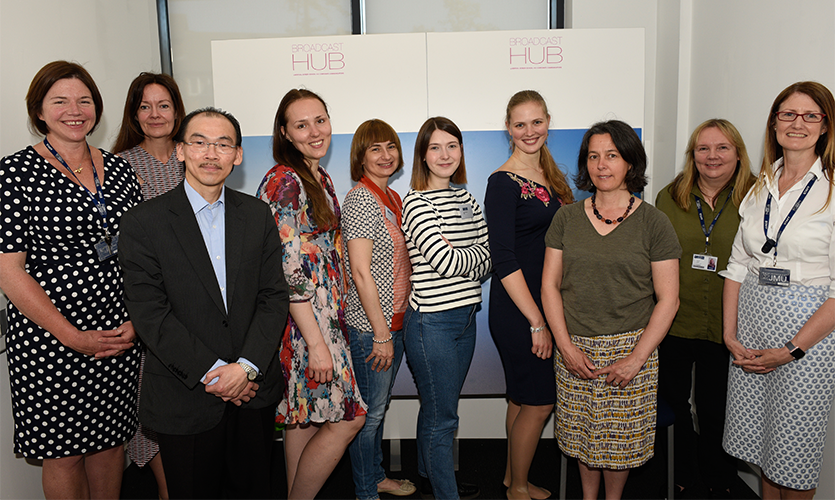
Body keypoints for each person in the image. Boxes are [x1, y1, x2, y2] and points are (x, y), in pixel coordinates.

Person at [119, 107, 290, 499]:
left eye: (223, 144)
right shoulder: (144, 222)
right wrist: (216, 373)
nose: (211, 154)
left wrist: (245, 368)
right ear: (180, 151)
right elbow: (150, 313)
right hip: (186, 396)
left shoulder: (257, 214)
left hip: (252, 393)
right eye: (199, 142)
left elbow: (273, 296)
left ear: (238, 154)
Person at [0, 60, 141, 499]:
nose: (74, 110)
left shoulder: (119, 170)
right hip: (49, 338)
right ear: (39, 111)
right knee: (62, 453)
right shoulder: (14, 174)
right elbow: (9, 270)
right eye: (59, 101)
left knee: (109, 444)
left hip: (119, 334)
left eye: (84, 100)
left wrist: (139, 320)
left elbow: (142, 254)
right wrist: (70, 335)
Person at [541, 120, 681, 500]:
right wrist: (565, 346)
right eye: (593, 156)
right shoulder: (566, 218)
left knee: (618, 446)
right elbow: (549, 286)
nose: (602, 165)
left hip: (634, 349)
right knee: (583, 437)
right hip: (575, 347)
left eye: (612, 156)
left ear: (630, 162)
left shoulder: (654, 222)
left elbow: (669, 299)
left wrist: (636, 359)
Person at [721, 81, 835, 498]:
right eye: (788, 114)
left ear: (825, 125)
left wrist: (792, 349)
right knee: (764, 451)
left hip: (807, 340)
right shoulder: (759, 186)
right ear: (773, 123)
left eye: (810, 115)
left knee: (795, 457)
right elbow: (737, 266)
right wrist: (729, 335)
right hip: (751, 332)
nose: (797, 123)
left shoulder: (832, 189)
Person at [257, 89, 366, 500]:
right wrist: (317, 343)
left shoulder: (318, 176)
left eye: (320, 120)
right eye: (301, 125)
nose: (314, 131)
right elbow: (286, 271)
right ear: (284, 132)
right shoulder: (284, 180)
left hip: (324, 313)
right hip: (304, 322)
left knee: (300, 419)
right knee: (349, 419)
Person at [655, 119, 755, 498]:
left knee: (717, 409)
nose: (712, 156)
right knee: (675, 404)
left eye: (722, 148)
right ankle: (681, 472)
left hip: (729, 325)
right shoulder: (670, 196)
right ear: (692, 155)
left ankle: (719, 477)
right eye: (703, 149)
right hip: (676, 320)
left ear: (738, 153)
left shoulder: (757, 197)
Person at [484, 90, 574, 500]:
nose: (529, 131)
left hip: (544, 304)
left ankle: (510, 477)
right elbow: (502, 258)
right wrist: (537, 321)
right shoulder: (502, 183)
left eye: (536, 122)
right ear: (508, 128)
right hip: (521, 310)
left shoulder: (552, 176)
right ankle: (518, 488)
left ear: (548, 122)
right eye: (520, 124)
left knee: (521, 400)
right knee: (538, 403)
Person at [402, 116, 491, 500]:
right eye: (435, 147)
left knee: (439, 408)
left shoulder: (466, 198)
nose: (444, 154)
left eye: (452, 146)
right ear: (423, 154)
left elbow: (488, 259)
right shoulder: (415, 203)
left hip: (467, 319)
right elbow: (446, 262)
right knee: (443, 419)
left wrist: (466, 256)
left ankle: (430, 477)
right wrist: (469, 257)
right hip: (431, 324)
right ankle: (445, 492)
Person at [113, 71, 187, 500]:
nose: (155, 114)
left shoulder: (196, 156)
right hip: (149, 307)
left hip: (199, 304)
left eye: (163, 105)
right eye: (145, 106)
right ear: (134, 114)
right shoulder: (118, 166)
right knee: (154, 403)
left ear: (177, 110)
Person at [343, 119, 417, 499]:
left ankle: (374, 477)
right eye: (375, 148)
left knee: (377, 410)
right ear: (361, 156)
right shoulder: (360, 199)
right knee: (368, 417)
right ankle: (366, 491)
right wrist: (382, 334)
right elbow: (360, 271)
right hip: (374, 329)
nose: (386, 155)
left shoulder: (392, 198)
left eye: (391, 146)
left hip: (397, 323)